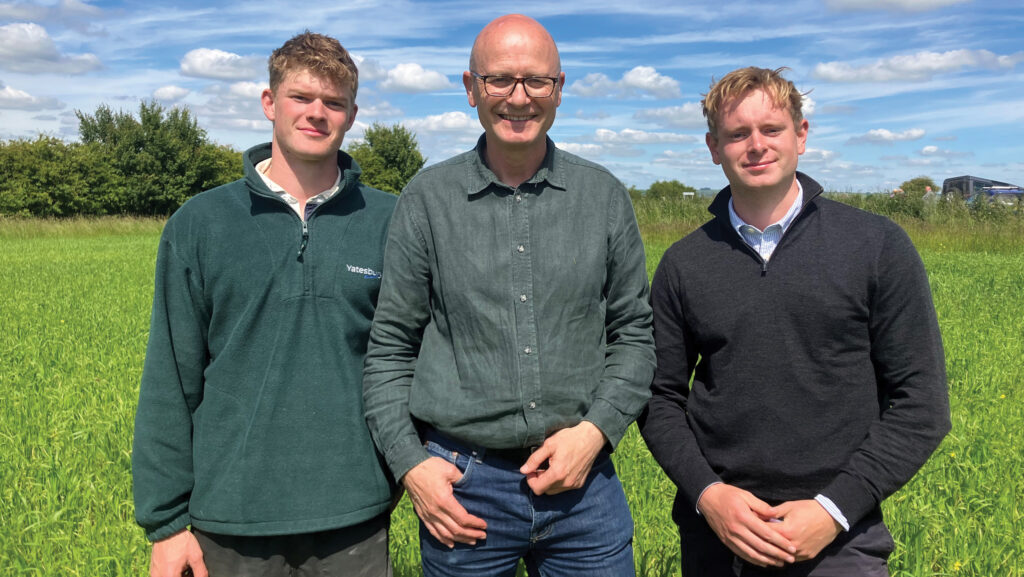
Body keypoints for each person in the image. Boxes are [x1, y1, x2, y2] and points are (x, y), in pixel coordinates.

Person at [362, 14, 655, 577]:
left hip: (583, 487)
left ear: (560, 89)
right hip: (462, 488)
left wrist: (595, 433)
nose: (518, 98)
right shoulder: (427, 199)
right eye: (499, 80)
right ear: (471, 88)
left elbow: (634, 335)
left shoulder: (603, 197)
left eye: (536, 81)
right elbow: (391, 347)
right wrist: (411, 467)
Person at [639, 67, 950, 576]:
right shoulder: (684, 263)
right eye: (737, 134)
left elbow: (922, 405)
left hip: (839, 538)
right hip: (719, 536)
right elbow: (659, 397)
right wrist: (709, 496)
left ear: (801, 136)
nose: (756, 145)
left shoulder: (875, 246)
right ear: (714, 147)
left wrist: (832, 510)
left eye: (772, 129)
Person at [131, 31, 397, 577]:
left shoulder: (391, 221)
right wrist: (166, 524)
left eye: (334, 103)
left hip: (355, 514)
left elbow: (413, 360)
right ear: (270, 103)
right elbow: (171, 378)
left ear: (351, 115)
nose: (317, 113)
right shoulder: (201, 224)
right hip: (230, 517)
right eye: (301, 97)